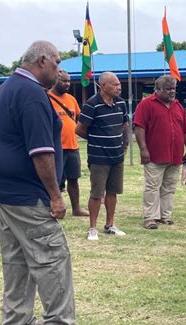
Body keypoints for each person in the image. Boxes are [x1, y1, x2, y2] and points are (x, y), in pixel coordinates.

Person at [0, 40, 98, 325]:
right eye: (57, 63)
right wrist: (55, 197)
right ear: (43, 61)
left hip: (3, 190)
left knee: (17, 258)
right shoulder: (32, 95)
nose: (60, 71)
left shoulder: (7, 87)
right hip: (27, 193)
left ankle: (16, 320)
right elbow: (41, 152)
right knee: (52, 255)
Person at [133, 75, 186, 229]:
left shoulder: (178, 106)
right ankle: (150, 218)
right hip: (154, 154)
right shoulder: (146, 104)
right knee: (152, 187)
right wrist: (143, 149)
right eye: (168, 89)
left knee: (169, 187)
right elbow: (139, 127)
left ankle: (165, 216)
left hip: (175, 155)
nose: (172, 92)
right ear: (157, 90)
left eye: (173, 88)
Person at [76, 72, 129, 240]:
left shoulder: (121, 103)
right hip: (99, 156)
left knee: (113, 192)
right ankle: (92, 228)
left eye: (119, 84)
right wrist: (96, 140)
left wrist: (124, 143)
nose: (118, 87)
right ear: (103, 86)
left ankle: (110, 224)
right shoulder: (92, 104)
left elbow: (125, 124)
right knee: (97, 193)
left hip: (117, 155)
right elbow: (79, 129)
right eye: (114, 85)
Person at [48, 70, 88, 217]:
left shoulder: (71, 99)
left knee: (74, 178)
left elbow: (78, 118)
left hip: (72, 146)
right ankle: (53, 207)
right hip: (56, 148)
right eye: (64, 81)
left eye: (69, 81)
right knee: (54, 180)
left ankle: (76, 209)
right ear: (55, 80)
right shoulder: (47, 98)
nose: (67, 84)